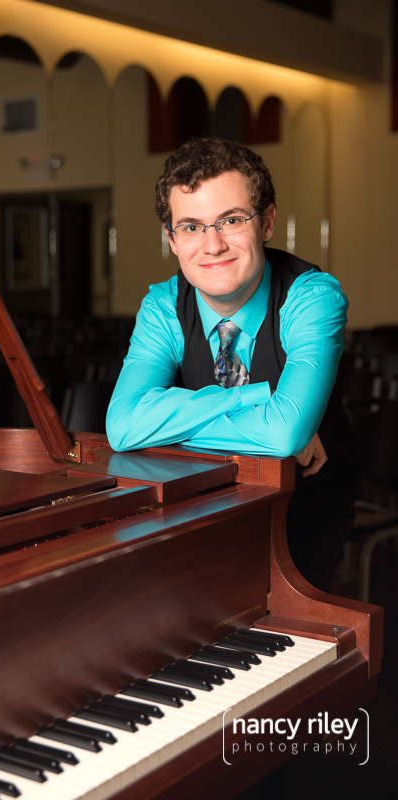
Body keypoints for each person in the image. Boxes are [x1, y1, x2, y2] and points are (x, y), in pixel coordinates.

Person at [106, 137, 360, 593]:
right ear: (171, 239)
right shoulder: (163, 306)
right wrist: (260, 401)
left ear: (267, 222)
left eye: (231, 220)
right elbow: (123, 427)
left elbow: (284, 436)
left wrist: (162, 423)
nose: (213, 244)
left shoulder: (312, 296)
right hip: (202, 510)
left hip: (304, 516)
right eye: (191, 227)